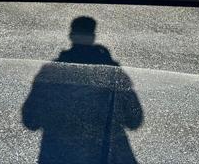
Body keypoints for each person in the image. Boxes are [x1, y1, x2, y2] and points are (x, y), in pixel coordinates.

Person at [22, 17, 143, 163]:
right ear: (92, 37)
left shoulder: (51, 73)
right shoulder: (113, 74)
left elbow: (30, 120)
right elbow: (134, 119)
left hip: (59, 156)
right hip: (107, 156)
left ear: (71, 36)